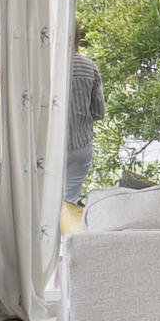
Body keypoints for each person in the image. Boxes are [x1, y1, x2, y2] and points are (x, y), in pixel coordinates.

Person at [64, 23, 103, 204]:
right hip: (79, 146)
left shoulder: (43, 68)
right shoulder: (89, 66)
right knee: (68, 200)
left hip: (47, 146)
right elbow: (98, 111)